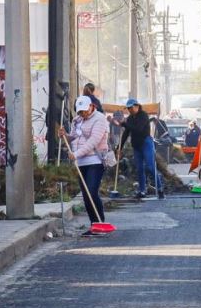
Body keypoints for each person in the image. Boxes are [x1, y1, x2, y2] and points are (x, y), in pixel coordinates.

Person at [63, 96, 110, 232]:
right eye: (80, 111)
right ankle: (93, 225)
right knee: (85, 195)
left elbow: (93, 142)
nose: (82, 113)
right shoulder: (77, 120)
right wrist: (65, 135)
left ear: (91, 107)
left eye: (84, 110)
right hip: (81, 163)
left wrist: (75, 154)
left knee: (91, 192)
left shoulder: (99, 119)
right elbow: (73, 136)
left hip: (95, 160)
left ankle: (100, 222)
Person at [118, 98, 162, 199]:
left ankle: (160, 189)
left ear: (137, 106)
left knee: (150, 167)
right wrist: (119, 147)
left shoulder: (143, 115)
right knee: (139, 169)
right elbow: (126, 134)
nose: (130, 110)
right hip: (136, 145)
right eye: (128, 109)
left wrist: (125, 124)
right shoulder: (130, 119)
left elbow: (138, 129)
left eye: (131, 108)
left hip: (146, 143)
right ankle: (142, 190)